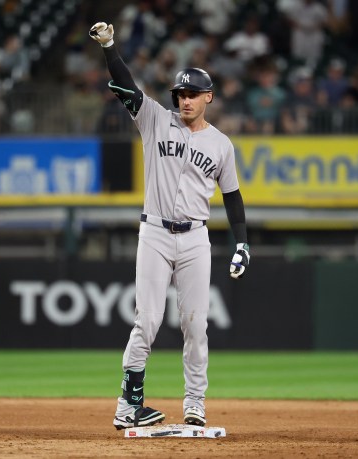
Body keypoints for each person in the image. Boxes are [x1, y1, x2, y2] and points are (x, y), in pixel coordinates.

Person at [89, 20, 250, 430]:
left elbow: (232, 197)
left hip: (196, 237)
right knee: (147, 321)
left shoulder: (221, 145)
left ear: (208, 97)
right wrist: (109, 47)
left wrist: (242, 243)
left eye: (193, 94)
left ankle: (194, 402)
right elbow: (125, 84)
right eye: (180, 93)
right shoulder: (155, 120)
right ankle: (128, 406)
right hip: (155, 233)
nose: (185, 100)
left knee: (197, 325)